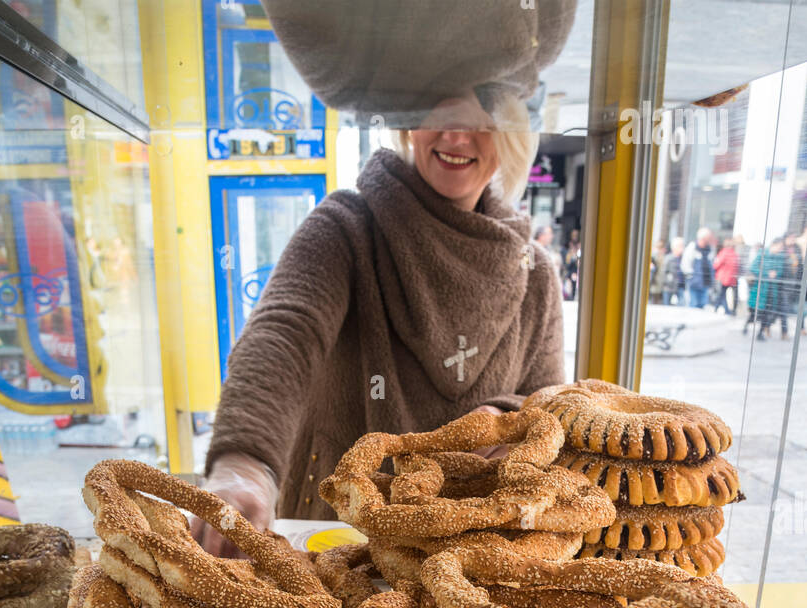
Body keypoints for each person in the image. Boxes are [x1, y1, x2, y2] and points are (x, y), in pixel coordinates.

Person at [195, 91, 563, 542]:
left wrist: (507, 415)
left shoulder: (536, 275)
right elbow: (285, 333)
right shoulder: (344, 229)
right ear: (409, 122)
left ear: (512, 135)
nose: (455, 135)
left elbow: (551, 405)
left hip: (473, 551)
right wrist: (245, 462)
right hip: (331, 533)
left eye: (482, 121)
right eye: (438, 109)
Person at [681, 228, 715, 309]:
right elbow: (685, 264)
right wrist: (691, 276)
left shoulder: (709, 250)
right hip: (694, 283)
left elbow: (711, 265)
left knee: (702, 305)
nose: (709, 240)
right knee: (693, 305)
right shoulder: (692, 248)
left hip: (705, 283)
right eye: (708, 238)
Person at [713, 236, 739, 316]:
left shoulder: (724, 253)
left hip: (723, 278)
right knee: (722, 294)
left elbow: (716, 265)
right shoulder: (735, 254)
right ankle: (723, 309)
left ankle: (721, 309)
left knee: (721, 294)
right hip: (731, 279)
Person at [662, 237, 686, 305]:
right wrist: (669, 281)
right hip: (669, 288)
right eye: (680, 246)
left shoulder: (683, 258)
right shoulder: (668, 258)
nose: (682, 248)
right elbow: (664, 272)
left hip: (680, 287)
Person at [649, 239, 668, 304]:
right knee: (653, 298)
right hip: (655, 281)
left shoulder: (662, 257)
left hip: (658, 281)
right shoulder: (653, 257)